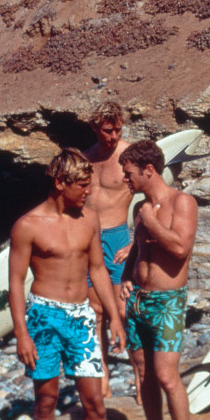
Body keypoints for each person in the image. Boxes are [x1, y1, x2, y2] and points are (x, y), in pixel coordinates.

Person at [8, 148, 134, 420]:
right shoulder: (28, 225)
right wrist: (22, 333)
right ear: (61, 182)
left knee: (94, 401)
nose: (88, 192)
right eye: (81, 186)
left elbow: (97, 270)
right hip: (43, 317)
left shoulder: (89, 219)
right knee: (46, 400)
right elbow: (15, 282)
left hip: (81, 316)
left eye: (89, 185)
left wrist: (115, 319)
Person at [118, 139, 198, 420]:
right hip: (137, 299)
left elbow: (180, 248)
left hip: (167, 302)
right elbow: (138, 251)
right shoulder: (139, 209)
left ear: (148, 170)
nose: (126, 179)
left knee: (167, 376)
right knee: (144, 375)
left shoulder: (183, 202)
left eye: (129, 173)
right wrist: (125, 275)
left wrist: (151, 223)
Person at [82, 101, 137, 399]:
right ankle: (102, 377)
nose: (113, 136)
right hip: (90, 242)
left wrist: (135, 241)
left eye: (117, 129)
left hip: (117, 238)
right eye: (107, 130)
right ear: (94, 128)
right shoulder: (85, 160)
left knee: (123, 310)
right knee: (96, 312)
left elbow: (154, 199)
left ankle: (141, 378)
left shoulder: (129, 156)